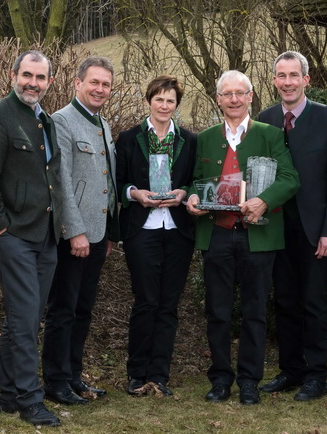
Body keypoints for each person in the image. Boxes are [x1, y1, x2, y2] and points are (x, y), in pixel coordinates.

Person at [187, 70, 299, 405]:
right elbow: (196, 180)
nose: (234, 100)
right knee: (218, 312)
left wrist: (264, 199)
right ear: (218, 99)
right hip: (217, 235)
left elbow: (291, 178)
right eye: (227, 94)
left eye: (240, 93)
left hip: (258, 237)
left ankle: (250, 381)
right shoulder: (205, 137)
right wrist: (194, 197)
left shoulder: (270, 134)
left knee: (255, 312)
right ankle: (221, 379)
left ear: (251, 97)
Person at [0, 50, 63, 427]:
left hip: (46, 236)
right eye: (27, 74)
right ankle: (29, 400)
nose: (33, 83)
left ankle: (7, 395)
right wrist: (1, 225)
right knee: (24, 321)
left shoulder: (47, 122)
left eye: (40, 78)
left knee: (26, 318)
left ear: (49, 83)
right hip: (14, 236)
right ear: (13, 75)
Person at [257, 51, 327, 401]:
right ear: (275, 80)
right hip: (275, 227)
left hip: (315, 229)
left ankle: (316, 375)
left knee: (313, 303)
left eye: (294, 75)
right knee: (285, 301)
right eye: (281, 75)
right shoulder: (264, 119)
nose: (288, 82)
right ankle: (290, 370)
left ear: (306, 80)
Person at [41, 56, 118, 404]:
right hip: (75, 236)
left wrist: (108, 232)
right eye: (94, 82)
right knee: (63, 309)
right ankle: (55, 382)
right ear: (77, 83)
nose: (100, 89)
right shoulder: (62, 121)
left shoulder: (103, 123)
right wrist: (75, 231)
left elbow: (108, 184)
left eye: (105, 84)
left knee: (83, 308)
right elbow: (61, 182)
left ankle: (73, 376)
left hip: (99, 235)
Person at [116, 76, 196, 396]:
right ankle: (137, 374)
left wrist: (183, 192)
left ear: (177, 105)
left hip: (177, 229)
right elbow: (119, 182)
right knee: (146, 301)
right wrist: (135, 194)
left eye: (170, 101)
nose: (164, 106)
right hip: (141, 228)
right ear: (149, 100)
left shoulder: (189, 140)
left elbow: (196, 179)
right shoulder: (128, 138)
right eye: (159, 99)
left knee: (168, 304)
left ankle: (159, 374)